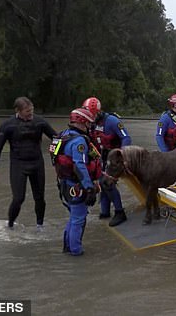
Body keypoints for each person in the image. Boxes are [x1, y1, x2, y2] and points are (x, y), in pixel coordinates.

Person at [0, 97, 57, 230]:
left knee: (40, 198)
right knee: (18, 198)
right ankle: (10, 225)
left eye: (31, 110)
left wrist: (56, 157)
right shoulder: (8, 125)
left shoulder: (40, 122)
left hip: (37, 163)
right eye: (27, 111)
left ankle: (40, 225)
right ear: (18, 110)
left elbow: (56, 139)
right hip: (18, 164)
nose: (30, 114)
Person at [51, 107, 101, 256]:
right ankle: (76, 251)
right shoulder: (79, 141)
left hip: (65, 184)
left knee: (73, 217)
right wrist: (89, 188)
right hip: (77, 185)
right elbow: (80, 166)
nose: (90, 127)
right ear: (83, 123)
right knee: (79, 219)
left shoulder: (63, 135)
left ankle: (68, 247)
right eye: (89, 124)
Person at [82, 97, 131, 227]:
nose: (89, 117)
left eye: (91, 114)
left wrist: (120, 155)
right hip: (101, 157)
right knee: (102, 183)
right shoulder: (90, 124)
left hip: (115, 159)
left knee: (107, 183)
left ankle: (120, 212)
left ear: (98, 112)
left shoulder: (112, 121)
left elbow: (126, 138)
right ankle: (105, 212)